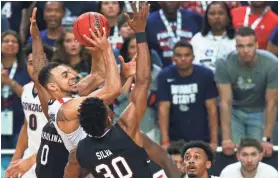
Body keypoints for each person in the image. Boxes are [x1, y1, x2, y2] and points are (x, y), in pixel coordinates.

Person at [76, 3, 180, 178]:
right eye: (107, 105)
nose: (110, 105)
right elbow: (143, 81)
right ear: (109, 117)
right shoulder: (125, 129)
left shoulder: (83, 151)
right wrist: (140, 33)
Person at [215, 26, 278, 157]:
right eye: (241, 46)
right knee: (235, 154)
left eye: (249, 45)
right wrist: (226, 139)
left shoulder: (272, 63)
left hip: (259, 111)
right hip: (235, 112)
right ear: (236, 47)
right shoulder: (224, 63)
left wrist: (267, 139)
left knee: (257, 153)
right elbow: (225, 102)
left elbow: (271, 102)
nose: (245, 50)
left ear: (257, 45)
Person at [157, 41, 218, 150]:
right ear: (173, 58)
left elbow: (212, 108)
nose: (183, 59)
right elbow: (163, 109)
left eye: (187, 55)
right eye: (179, 55)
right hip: (174, 137)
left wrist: (214, 141)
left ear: (193, 57)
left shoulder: (205, 75)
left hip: (202, 135)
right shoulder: (164, 76)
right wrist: (165, 141)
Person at [5, 46, 52, 178]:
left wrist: (32, 160)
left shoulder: (57, 93)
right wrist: (15, 160)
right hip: (30, 157)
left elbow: (62, 137)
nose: (35, 68)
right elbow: (26, 128)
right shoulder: (26, 90)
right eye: (31, 63)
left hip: (52, 158)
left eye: (39, 63)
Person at [146, 1, 203, 67]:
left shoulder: (196, 19)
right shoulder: (149, 23)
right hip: (160, 72)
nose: (171, 1)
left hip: (192, 70)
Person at [1, 30, 31, 150]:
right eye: (6, 41)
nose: (10, 44)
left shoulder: (26, 69)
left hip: (20, 124)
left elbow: (29, 96)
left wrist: (9, 82)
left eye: (14, 41)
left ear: (19, 46)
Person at [191, 1, 236, 72]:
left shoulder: (236, 39)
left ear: (228, 17)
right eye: (212, 14)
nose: (216, 17)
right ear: (206, 17)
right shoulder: (197, 39)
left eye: (221, 13)